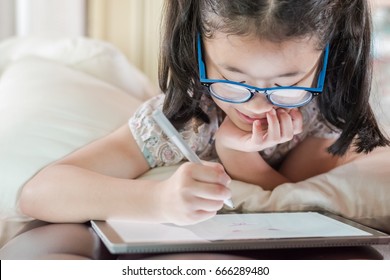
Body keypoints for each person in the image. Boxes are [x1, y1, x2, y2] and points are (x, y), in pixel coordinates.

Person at [19, 0, 389, 225]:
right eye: (233, 80)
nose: (258, 105)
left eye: (286, 82)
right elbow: (40, 193)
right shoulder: (183, 122)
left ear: (325, 61)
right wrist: (157, 201)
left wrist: (236, 154)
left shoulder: (324, 108)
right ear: (196, 51)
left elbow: (291, 196)